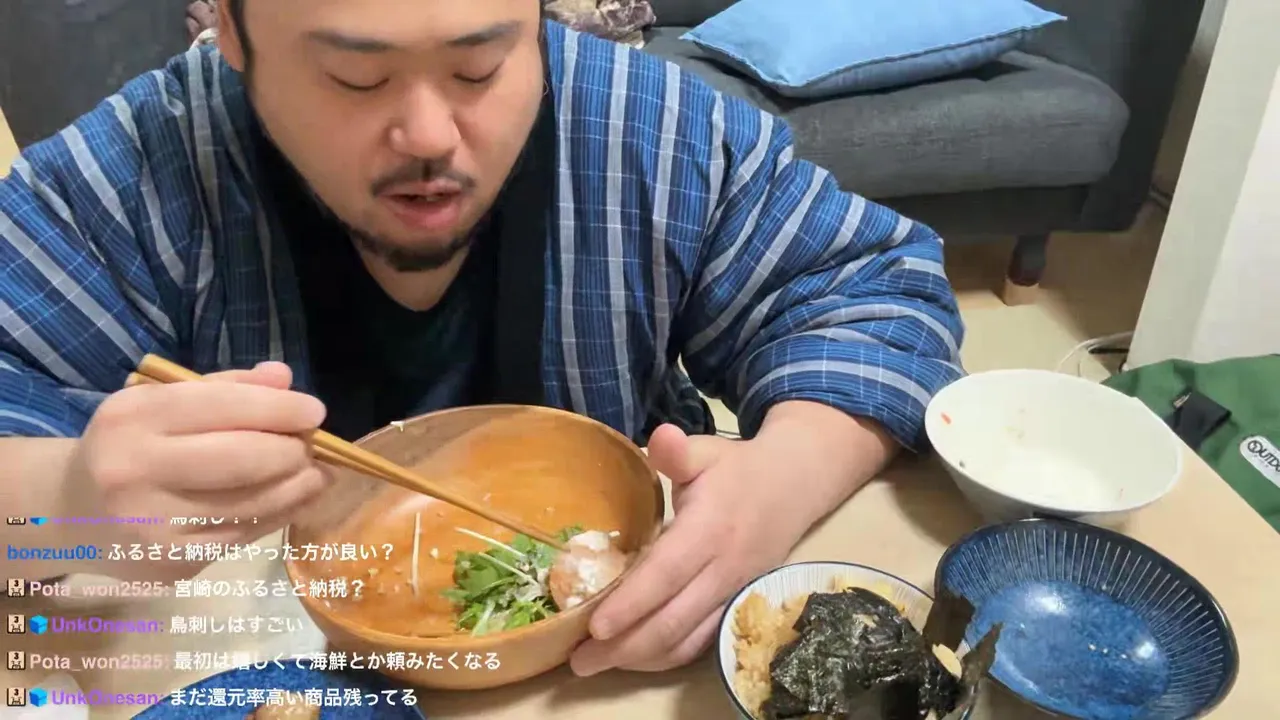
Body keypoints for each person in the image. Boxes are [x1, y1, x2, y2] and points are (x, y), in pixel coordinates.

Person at [0, 0, 964, 676]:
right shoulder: (135, 174)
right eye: (355, 76)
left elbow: (873, 291)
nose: (429, 135)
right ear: (229, 25)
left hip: (608, 674)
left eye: (481, 66)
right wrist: (67, 497)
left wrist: (780, 479)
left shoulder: (648, 128)